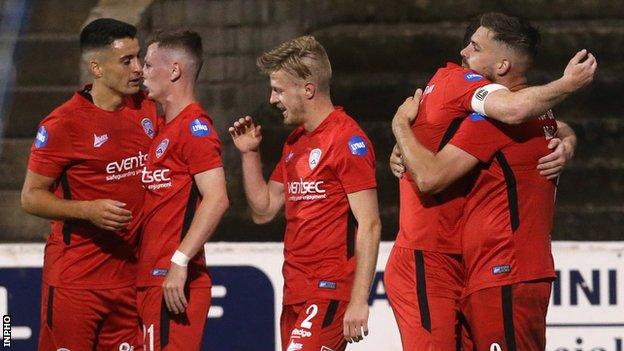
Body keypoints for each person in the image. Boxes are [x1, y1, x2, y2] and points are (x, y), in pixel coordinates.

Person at [384, 12, 594, 350]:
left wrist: (400, 128)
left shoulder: (492, 120)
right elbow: (546, 121)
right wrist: (568, 144)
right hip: (501, 271)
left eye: (475, 47)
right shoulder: (542, 114)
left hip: (502, 270)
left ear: (502, 67)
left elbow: (430, 176)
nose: (463, 52)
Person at [228, 36, 381, 351]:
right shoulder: (295, 143)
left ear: (308, 90)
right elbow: (264, 209)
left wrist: (358, 300)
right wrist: (249, 155)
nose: (272, 99)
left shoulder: (347, 140)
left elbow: (370, 223)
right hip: (294, 291)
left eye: (279, 90)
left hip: (328, 290)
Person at [21, 18, 158, 350]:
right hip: (76, 280)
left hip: (130, 281)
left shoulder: (149, 109)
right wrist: (87, 210)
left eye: (138, 57)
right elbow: (30, 197)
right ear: (96, 67)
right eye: (126, 61)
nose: (138, 68)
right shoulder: (63, 124)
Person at [136, 30, 228, 351]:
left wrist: (179, 260)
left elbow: (217, 198)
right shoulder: (165, 128)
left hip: (171, 280)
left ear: (174, 71)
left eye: (148, 65)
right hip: (151, 278)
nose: (141, 72)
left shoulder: (194, 129)